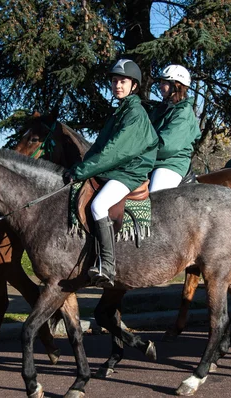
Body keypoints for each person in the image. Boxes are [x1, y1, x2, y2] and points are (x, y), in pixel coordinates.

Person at [68, 59, 159, 288]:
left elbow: (114, 152)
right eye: (115, 81)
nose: (118, 85)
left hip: (129, 172)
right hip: (116, 169)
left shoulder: (135, 114)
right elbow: (99, 147)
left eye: (123, 81)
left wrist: (82, 170)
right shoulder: (119, 112)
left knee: (99, 205)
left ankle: (107, 265)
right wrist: (79, 168)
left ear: (134, 86)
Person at [148, 65, 201, 192]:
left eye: (164, 83)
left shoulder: (183, 113)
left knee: (154, 197)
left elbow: (167, 146)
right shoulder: (164, 108)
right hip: (154, 160)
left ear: (177, 86)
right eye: (160, 82)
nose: (160, 86)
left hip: (170, 163)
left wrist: (140, 150)